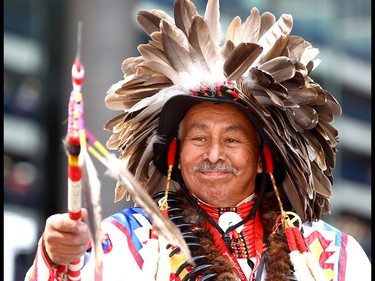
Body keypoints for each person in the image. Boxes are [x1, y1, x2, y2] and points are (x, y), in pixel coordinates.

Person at [25, 0, 371, 280]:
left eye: (233, 140)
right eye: (199, 137)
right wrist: (58, 259)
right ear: (175, 151)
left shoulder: (334, 255)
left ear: (264, 156)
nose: (214, 153)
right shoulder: (121, 242)